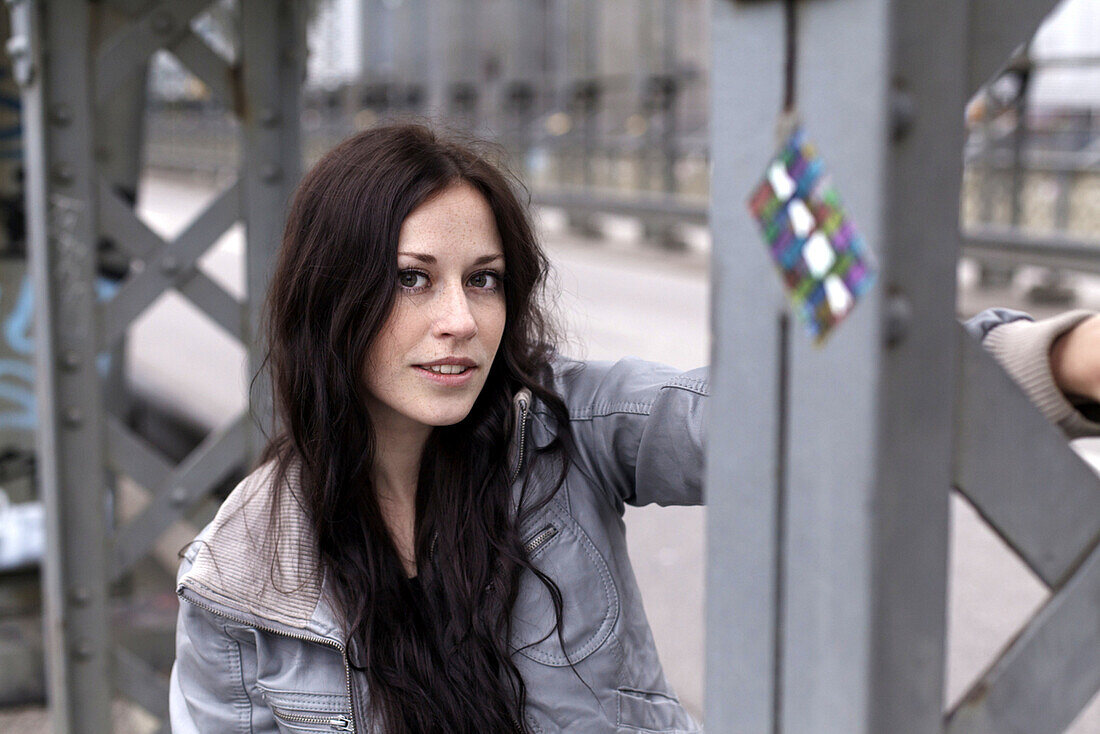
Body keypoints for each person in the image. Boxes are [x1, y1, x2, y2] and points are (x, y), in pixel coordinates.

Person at [169, 123, 1100, 733]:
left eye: (483, 279)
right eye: (413, 278)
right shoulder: (240, 586)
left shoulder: (568, 432)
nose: (459, 319)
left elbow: (790, 418)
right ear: (330, 297)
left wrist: (1063, 361)